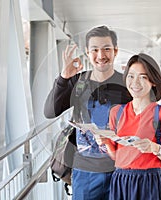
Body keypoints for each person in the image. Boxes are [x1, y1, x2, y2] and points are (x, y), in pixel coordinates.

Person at [44, 25, 132, 200]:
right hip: (85, 171)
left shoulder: (127, 83)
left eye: (107, 49)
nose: (101, 56)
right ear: (87, 52)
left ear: (115, 50)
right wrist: (64, 77)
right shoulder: (78, 81)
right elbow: (50, 111)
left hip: (121, 168)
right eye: (95, 50)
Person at [96, 53, 161, 200]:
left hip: (150, 182)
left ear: (153, 81)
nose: (135, 82)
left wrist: (154, 148)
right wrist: (106, 143)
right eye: (131, 76)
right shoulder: (117, 112)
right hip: (121, 180)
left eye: (143, 77)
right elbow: (117, 157)